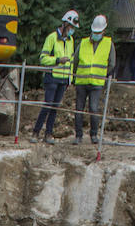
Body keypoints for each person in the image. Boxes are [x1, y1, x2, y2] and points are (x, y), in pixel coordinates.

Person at [31, 10, 78, 144]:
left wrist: (70, 79)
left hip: (63, 79)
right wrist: (57, 60)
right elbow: (43, 58)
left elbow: (71, 60)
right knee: (47, 105)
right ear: (65, 25)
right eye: (71, 27)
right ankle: (36, 132)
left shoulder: (70, 40)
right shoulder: (52, 38)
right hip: (52, 77)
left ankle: (48, 134)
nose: (72, 30)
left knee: (55, 108)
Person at [74, 15, 116, 146]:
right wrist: (75, 75)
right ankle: (78, 135)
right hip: (82, 81)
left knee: (93, 108)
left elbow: (112, 63)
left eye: (98, 32)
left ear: (103, 31)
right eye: (94, 32)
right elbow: (75, 61)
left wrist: (103, 74)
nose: (96, 34)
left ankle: (93, 134)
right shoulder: (84, 42)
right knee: (79, 109)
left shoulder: (109, 44)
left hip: (97, 83)